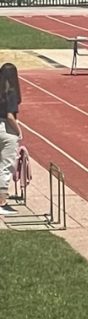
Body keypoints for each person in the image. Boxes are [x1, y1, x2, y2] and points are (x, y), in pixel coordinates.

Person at [0, 63, 22, 216]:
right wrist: (19, 132)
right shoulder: (11, 93)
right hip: (6, 129)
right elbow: (10, 116)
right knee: (6, 167)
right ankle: (2, 201)